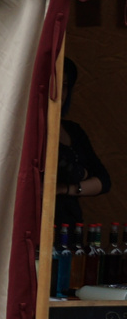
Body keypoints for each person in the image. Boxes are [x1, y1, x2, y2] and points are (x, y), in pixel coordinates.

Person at [57, 58, 110, 226]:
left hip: (70, 225)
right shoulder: (29, 131)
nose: (60, 92)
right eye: (56, 84)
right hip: (38, 225)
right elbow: (72, 173)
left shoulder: (73, 130)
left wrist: (66, 189)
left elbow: (103, 181)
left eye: (65, 85)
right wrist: (84, 175)